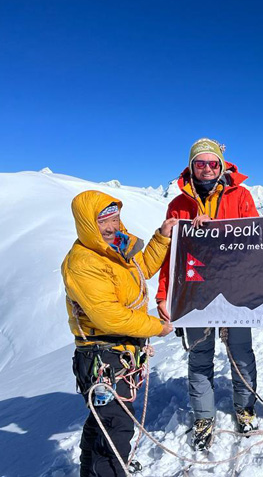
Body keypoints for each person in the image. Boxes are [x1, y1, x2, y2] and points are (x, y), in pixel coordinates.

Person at [62, 190, 176, 476]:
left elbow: (142, 268)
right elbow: (109, 316)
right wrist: (156, 326)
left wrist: (161, 237)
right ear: (89, 224)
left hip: (114, 355)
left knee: (102, 422)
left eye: (115, 217)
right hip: (103, 354)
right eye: (103, 221)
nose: (112, 226)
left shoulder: (117, 246)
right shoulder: (84, 262)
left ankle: (90, 472)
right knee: (117, 427)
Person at [156, 137, 259, 451]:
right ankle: (204, 416)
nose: (206, 169)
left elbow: (256, 240)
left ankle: (245, 409)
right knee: (200, 356)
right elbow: (169, 254)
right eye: (199, 164)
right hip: (195, 292)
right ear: (191, 167)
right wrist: (163, 295)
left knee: (240, 353)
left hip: (235, 288)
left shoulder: (241, 196)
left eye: (212, 163)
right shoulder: (178, 205)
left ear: (222, 165)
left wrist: (217, 229)